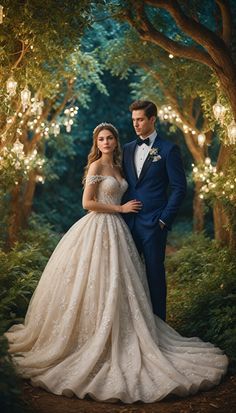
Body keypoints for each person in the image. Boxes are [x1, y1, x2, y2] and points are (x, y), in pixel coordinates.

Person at [5, 123, 228, 404]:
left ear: (116, 141)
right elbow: (87, 203)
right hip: (97, 227)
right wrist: (120, 208)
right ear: (96, 142)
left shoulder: (122, 169)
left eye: (110, 138)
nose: (106, 142)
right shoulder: (96, 167)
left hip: (120, 232)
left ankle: (122, 332)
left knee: (119, 283)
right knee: (93, 281)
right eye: (101, 138)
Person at [122, 100, 187, 321]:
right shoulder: (127, 149)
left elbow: (179, 188)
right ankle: (131, 323)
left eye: (140, 120)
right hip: (127, 222)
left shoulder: (169, 150)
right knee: (126, 275)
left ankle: (159, 325)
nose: (136, 125)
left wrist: (164, 220)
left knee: (154, 275)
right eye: (133, 120)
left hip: (154, 223)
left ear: (152, 119)